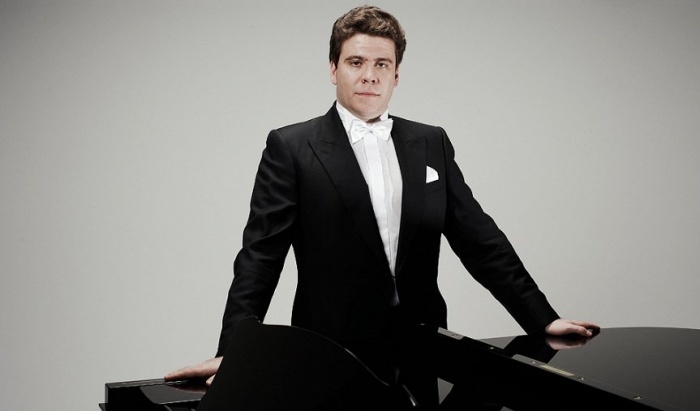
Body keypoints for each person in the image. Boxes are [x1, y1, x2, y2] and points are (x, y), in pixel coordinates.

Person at [166, 4, 598, 396]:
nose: (369, 75)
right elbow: (260, 257)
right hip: (330, 352)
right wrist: (233, 352)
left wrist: (542, 318)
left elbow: (479, 239)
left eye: (381, 64)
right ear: (333, 69)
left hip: (423, 345)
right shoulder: (291, 147)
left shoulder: (430, 142)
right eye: (356, 62)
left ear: (396, 75)